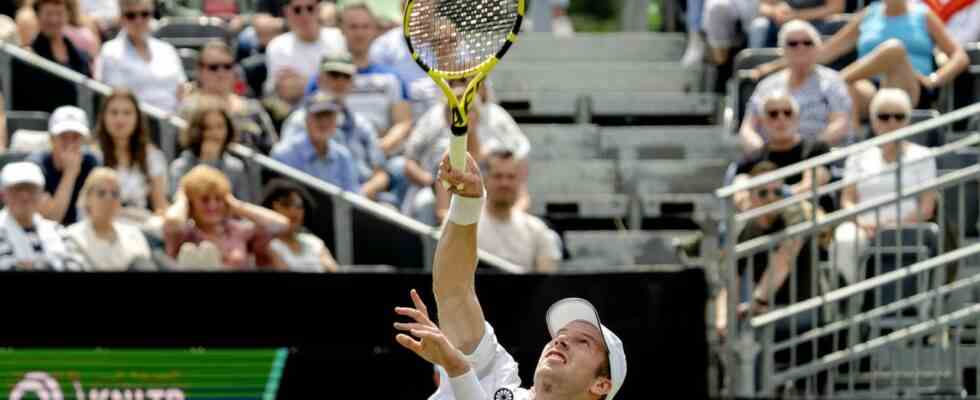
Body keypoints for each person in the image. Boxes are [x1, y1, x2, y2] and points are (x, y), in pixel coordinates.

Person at [393, 152, 627, 399]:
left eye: (584, 342)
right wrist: (467, 202)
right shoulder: (498, 374)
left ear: (601, 385)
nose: (561, 341)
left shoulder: (473, 372)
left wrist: (458, 368)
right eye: (560, 336)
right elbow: (454, 292)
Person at [752, 0, 969, 116]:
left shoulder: (923, 13)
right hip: (870, 90)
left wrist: (935, 79)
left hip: (911, 87)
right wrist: (771, 67)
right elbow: (825, 52)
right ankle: (852, 145)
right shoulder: (868, 14)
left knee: (894, 50)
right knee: (851, 89)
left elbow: (959, 56)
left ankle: (831, 84)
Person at [831, 88, 938, 285]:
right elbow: (847, 199)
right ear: (873, 121)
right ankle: (847, 304)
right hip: (863, 226)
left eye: (898, 117)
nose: (891, 123)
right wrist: (862, 222)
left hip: (907, 227)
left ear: (907, 120)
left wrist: (896, 225)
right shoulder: (858, 155)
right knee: (844, 239)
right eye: (884, 117)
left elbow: (927, 206)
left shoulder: (922, 155)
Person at [715, 161, 813, 337]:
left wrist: (757, 301)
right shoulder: (746, 228)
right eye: (763, 193)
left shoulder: (794, 214)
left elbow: (782, 262)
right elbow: (731, 279)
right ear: (750, 197)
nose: (771, 198)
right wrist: (723, 318)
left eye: (777, 192)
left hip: (800, 308)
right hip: (765, 308)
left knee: (753, 328)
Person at [284, 52, 392, 202]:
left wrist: (359, 196)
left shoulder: (361, 123)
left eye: (346, 77)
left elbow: (380, 173)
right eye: (334, 74)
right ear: (320, 79)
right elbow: (289, 164)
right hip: (318, 198)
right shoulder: (300, 120)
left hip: (362, 198)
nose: (340, 81)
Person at [308, 5, 412, 157]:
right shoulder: (324, 77)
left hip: (381, 156)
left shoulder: (392, 78)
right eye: (353, 27)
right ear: (342, 29)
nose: (360, 33)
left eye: (365, 26)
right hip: (334, 155)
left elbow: (403, 123)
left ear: (374, 30)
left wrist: (375, 150)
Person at [740, 20, 853, 157]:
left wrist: (808, 150)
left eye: (807, 43)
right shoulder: (767, 86)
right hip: (771, 157)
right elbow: (748, 128)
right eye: (792, 43)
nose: (800, 48)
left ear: (818, 47)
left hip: (815, 158)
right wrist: (761, 153)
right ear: (782, 50)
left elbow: (840, 123)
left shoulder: (832, 82)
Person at [163, 164, 289, 270]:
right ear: (190, 203)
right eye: (205, 200)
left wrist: (237, 205)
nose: (212, 206)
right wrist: (183, 196)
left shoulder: (238, 230)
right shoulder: (183, 232)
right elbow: (172, 221)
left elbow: (282, 225)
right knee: (190, 251)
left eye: (218, 199)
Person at [734, 92, 831, 212]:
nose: (781, 118)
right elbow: (740, 197)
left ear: (797, 118)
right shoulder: (752, 159)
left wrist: (768, 199)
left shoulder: (817, 149)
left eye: (787, 112)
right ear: (763, 121)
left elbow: (809, 186)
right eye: (773, 114)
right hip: (768, 224)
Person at [186, 40, 279, 154]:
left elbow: (273, 150)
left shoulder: (253, 109)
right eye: (213, 67)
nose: (221, 73)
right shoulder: (188, 110)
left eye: (227, 66)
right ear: (200, 71)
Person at [94, 0, 188, 113]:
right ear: (121, 18)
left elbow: (182, 91)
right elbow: (116, 98)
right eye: (131, 15)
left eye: (145, 14)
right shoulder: (109, 51)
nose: (139, 20)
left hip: (173, 122)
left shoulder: (167, 50)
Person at [478, 149, 561, 273]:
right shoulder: (466, 227)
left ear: (520, 181)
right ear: (485, 180)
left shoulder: (537, 230)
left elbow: (547, 283)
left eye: (511, 177)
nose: (504, 183)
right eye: (497, 176)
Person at [94, 89, 170, 217]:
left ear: (137, 118)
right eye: (114, 112)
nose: (120, 119)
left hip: (141, 224)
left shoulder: (152, 156)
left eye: (127, 113)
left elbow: (160, 206)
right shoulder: (93, 154)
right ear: (104, 117)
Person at [170, 96, 257, 203]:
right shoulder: (180, 166)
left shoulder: (236, 167)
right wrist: (206, 160)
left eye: (220, 127)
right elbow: (177, 203)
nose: (214, 134)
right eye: (208, 128)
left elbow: (243, 205)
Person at [0, 161, 85, 271]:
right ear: (3, 194)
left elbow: (76, 265)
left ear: (41, 193)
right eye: (17, 189)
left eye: (31, 189)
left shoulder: (57, 230)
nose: (24, 196)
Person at [271, 91, 360, 193]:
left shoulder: (343, 156)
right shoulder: (284, 154)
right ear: (306, 119)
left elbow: (353, 197)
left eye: (329, 116)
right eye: (319, 116)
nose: (324, 122)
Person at [11, 0, 91, 113]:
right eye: (48, 14)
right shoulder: (25, 58)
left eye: (59, 13)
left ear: (68, 15)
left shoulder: (80, 57)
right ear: (37, 15)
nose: (54, 20)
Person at [65, 167, 153, 271]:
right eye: (101, 193)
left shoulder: (134, 235)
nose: (109, 199)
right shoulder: (73, 237)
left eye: (115, 194)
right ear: (87, 198)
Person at [263, 0, 345, 102]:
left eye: (310, 8)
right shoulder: (277, 46)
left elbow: (344, 84)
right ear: (287, 12)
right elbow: (285, 91)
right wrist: (327, 81)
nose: (304, 15)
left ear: (318, 10)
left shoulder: (339, 38)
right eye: (297, 10)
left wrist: (308, 83)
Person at [31, 105, 100, 226]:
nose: (70, 143)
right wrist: (70, 173)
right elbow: (51, 218)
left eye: (75, 137)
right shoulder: (37, 167)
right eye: (63, 137)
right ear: (52, 139)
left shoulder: (92, 162)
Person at [260, 178, 338, 273]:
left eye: (299, 206)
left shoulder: (315, 242)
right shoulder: (265, 244)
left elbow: (332, 269)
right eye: (286, 204)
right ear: (271, 207)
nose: (293, 211)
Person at [751, 0, 844, 48]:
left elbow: (836, 8)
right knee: (759, 26)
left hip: (817, 26)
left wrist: (797, 16)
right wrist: (775, 11)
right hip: (780, 26)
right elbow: (762, 6)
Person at [913, 0, 980, 44]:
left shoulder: (974, 2)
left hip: (958, 49)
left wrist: (946, 48)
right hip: (924, 47)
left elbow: (971, 31)